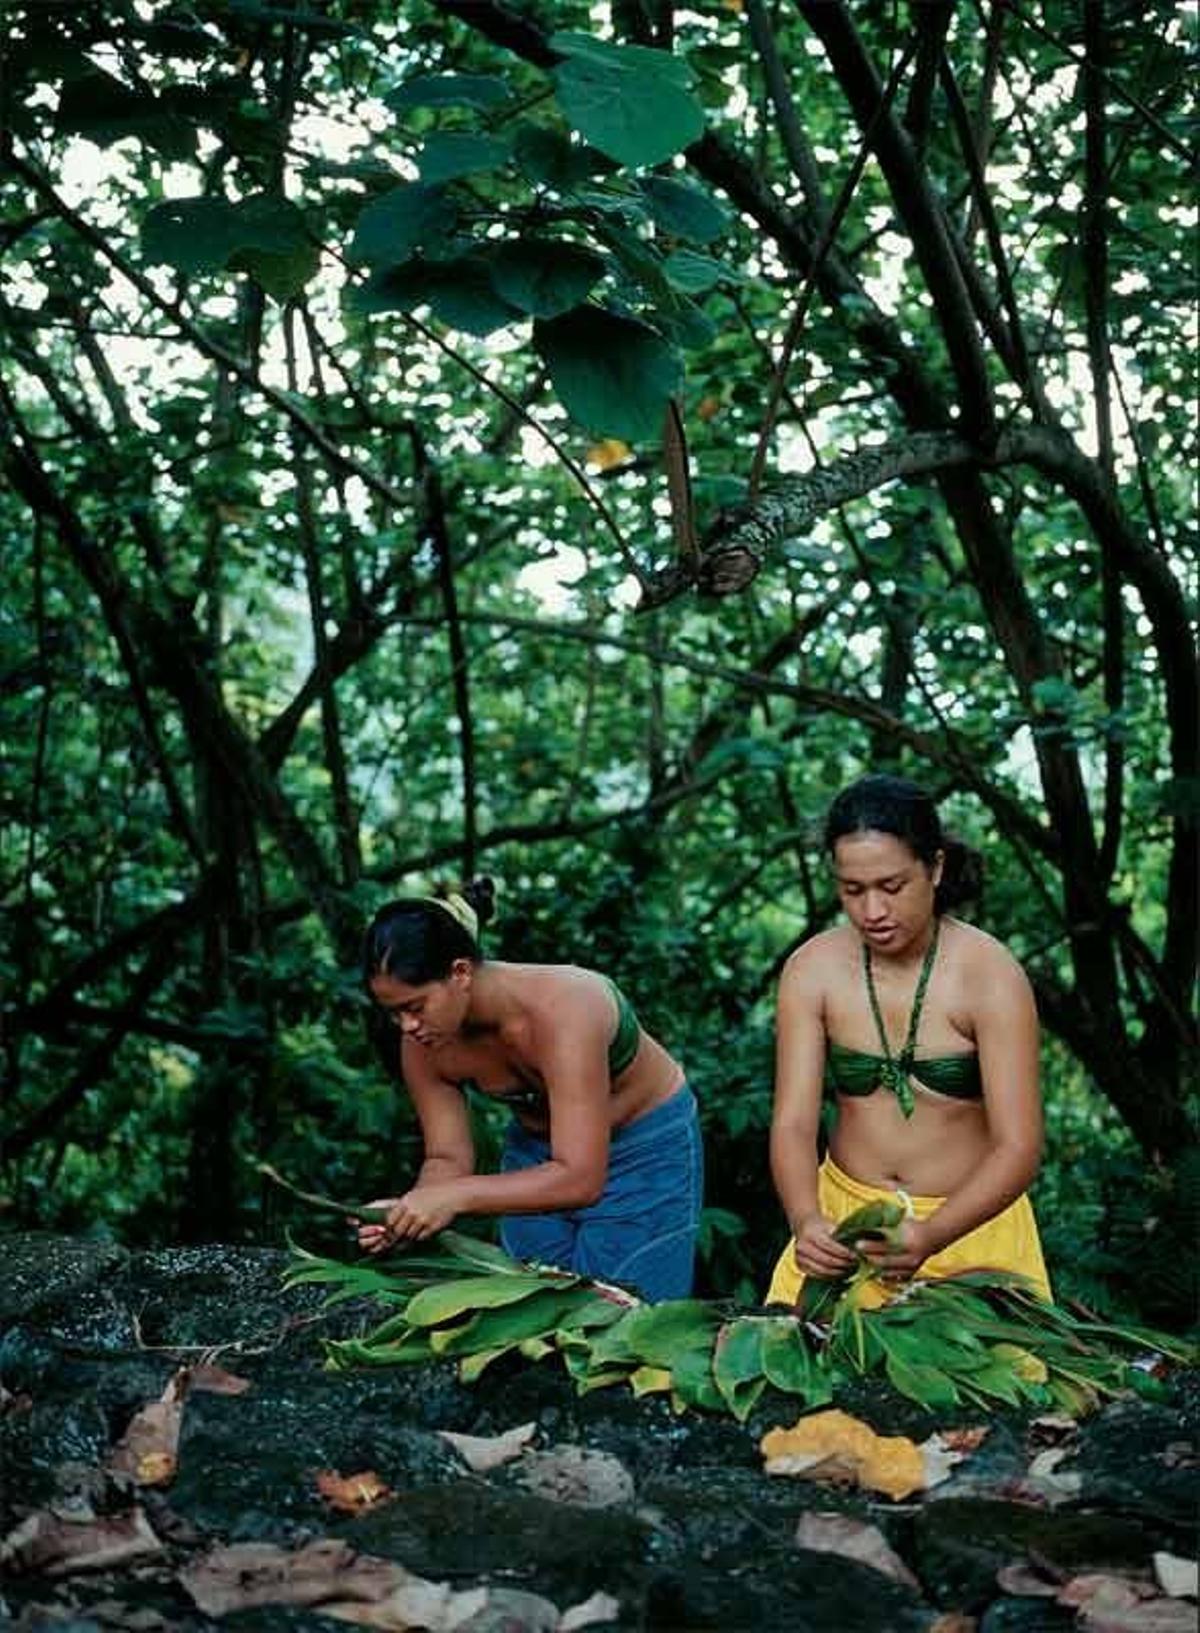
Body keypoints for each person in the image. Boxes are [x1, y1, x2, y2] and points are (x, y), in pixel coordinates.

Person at [766, 773, 1051, 1306]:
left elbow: (1019, 1146)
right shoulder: (812, 970)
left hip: (971, 1231)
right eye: (853, 890)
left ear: (936, 868)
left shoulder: (990, 976)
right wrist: (806, 1219)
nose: (872, 912)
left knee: (992, 1387)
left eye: (891, 887)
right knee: (792, 1377)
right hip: (845, 1226)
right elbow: (794, 1122)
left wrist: (931, 1234)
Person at [356, 880, 703, 1303]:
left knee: (629, 1319)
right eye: (393, 1013)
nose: (406, 1027)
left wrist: (453, 1197)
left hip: (642, 1150)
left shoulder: (568, 1007)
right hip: (536, 1155)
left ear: (461, 972)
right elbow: (447, 1157)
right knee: (533, 1314)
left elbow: (580, 1177)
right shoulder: (423, 1042)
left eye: (415, 1006)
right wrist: (412, 1210)